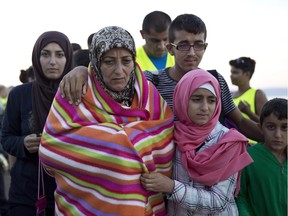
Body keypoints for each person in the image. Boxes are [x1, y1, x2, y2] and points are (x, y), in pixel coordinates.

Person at [59, 13, 263, 142]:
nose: (191, 52)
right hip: (162, 173)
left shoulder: (214, 81)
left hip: (209, 173)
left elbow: (241, 123)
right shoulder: (149, 82)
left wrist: (275, 141)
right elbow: (111, 85)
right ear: (170, 48)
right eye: (183, 44)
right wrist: (82, 71)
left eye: (198, 44)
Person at [39, 26, 174, 216]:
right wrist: (125, 143)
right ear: (96, 62)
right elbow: (51, 148)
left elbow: (166, 137)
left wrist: (109, 141)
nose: (119, 70)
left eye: (126, 61)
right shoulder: (74, 92)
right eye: (109, 62)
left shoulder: (148, 93)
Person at [141, 69, 253, 215]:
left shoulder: (229, 142)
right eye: (196, 99)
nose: (205, 108)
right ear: (182, 98)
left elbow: (218, 201)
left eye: (211, 100)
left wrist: (172, 187)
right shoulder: (169, 136)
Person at [1, 31, 73, 216]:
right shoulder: (19, 95)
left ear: (68, 57)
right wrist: (23, 144)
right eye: (45, 54)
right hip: (27, 194)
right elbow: (6, 137)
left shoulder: (77, 94)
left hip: (70, 194)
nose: (52, 61)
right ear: (36, 57)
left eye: (59, 54)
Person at [236, 98, 287, 216]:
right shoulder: (248, 157)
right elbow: (240, 196)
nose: (278, 135)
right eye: (271, 127)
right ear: (260, 128)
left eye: (285, 127)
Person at [229, 56, 268, 144]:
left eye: (235, 72)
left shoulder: (257, 94)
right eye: (231, 72)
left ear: (247, 74)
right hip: (231, 143)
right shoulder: (230, 95)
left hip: (250, 145)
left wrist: (249, 113)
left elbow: (268, 124)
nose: (231, 75)